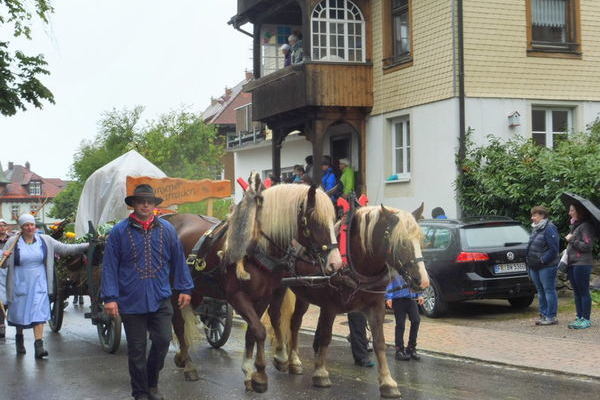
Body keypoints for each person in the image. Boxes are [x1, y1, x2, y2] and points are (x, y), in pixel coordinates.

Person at [101, 184, 194, 400]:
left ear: (154, 205)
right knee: (136, 350)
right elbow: (110, 266)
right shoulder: (119, 232)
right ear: (133, 204)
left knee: (162, 341)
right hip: (130, 300)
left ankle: (152, 382)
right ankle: (141, 392)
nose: (145, 204)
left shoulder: (167, 230)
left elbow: (179, 260)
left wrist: (185, 288)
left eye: (149, 201)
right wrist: (110, 298)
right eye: (141, 201)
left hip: (161, 297)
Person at [1, 213, 89, 358]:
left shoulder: (45, 240)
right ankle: (19, 337)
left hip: (39, 282)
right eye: (26, 225)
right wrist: (5, 256)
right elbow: (3, 265)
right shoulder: (13, 242)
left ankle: (39, 345)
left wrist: (87, 245)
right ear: (21, 228)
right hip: (20, 282)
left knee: (39, 312)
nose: (30, 227)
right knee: (20, 314)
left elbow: (65, 249)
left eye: (32, 224)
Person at [525, 206, 560, 325]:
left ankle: (551, 316)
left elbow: (554, 249)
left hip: (546, 266)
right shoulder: (536, 228)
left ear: (542, 216)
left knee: (548, 290)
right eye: (532, 215)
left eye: (535, 215)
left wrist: (542, 260)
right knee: (540, 291)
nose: (532, 218)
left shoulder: (549, 228)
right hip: (534, 266)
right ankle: (543, 315)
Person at [564, 203, 597, 330]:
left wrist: (572, 239)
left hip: (582, 263)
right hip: (573, 263)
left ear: (579, 212)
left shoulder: (586, 226)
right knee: (576, 292)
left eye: (572, 210)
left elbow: (587, 246)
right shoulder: (575, 226)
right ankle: (579, 317)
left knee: (583, 292)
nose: (569, 212)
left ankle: (586, 319)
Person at [385, 273, 424, 361]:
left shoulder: (410, 266)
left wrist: (419, 294)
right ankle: (399, 350)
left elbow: (416, 279)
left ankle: (411, 348)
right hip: (398, 299)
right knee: (400, 324)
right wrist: (389, 297)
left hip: (411, 298)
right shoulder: (395, 267)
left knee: (416, 320)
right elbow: (390, 281)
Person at [0, 218, 11, 339]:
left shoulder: (11, 240)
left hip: (8, 271)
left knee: (6, 298)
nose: (1, 228)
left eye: (3, 226)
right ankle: (1, 324)